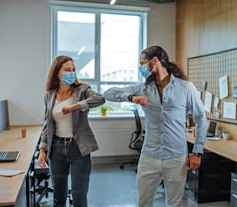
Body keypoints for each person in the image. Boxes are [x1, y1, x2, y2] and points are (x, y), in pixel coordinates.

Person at [104, 46, 207, 207]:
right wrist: (132, 98)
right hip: (149, 155)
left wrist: (197, 152)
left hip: (176, 157)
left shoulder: (185, 88)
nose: (140, 68)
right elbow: (108, 93)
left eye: (142, 63)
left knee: (175, 203)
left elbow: (201, 118)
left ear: (154, 61)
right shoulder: (142, 88)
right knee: (144, 202)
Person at [37, 55, 105, 207]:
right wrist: (42, 149)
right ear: (57, 72)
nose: (71, 73)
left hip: (78, 149)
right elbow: (47, 124)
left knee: (79, 197)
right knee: (58, 197)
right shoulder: (50, 94)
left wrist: (75, 107)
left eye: (73, 70)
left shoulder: (82, 90)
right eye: (67, 70)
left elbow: (100, 99)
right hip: (56, 150)